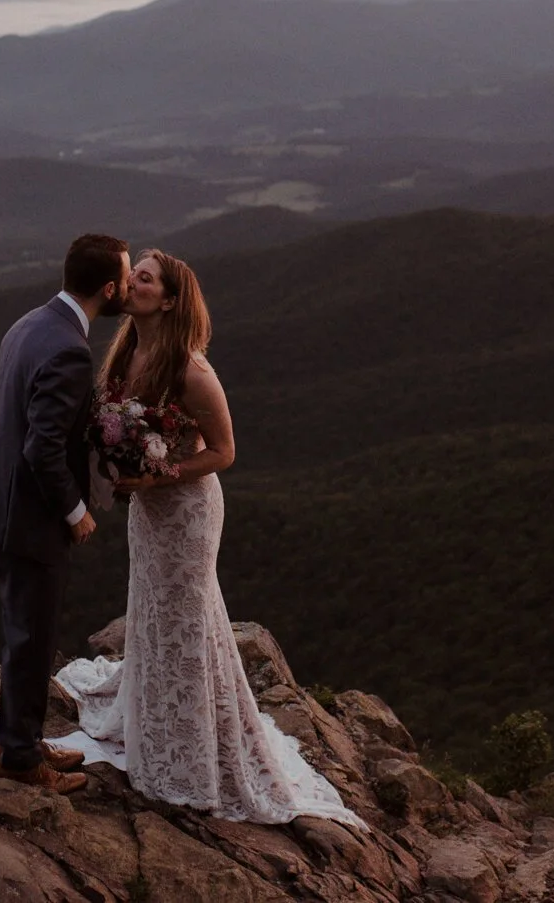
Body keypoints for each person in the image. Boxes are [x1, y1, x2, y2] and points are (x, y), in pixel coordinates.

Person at [56, 250, 362, 824]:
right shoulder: (127, 351)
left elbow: (224, 452)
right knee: (152, 607)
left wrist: (158, 472)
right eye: (132, 274)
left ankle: (193, 751)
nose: (132, 282)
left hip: (188, 511)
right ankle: (157, 718)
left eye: (144, 277)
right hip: (148, 511)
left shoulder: (191, 369)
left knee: (185, 616)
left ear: (169, 299)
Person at [0, 232, 130, 792]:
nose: (128, 286)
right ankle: (19, 758)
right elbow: (42, 445)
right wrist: (76, 510)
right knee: (32, 639)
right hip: (29, 519)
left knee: (22, 633)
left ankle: (24, 740)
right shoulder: (71, 350)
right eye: (126, 278)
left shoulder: (29, 323)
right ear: (109, 288)